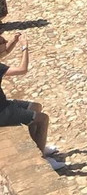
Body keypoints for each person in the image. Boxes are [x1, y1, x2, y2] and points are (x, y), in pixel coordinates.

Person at [0, 32, 59, 164]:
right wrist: (24, 47)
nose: (5, 44)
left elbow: (4, 52)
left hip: (4, 104)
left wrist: (14, 41)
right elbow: (22, 69)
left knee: (36, 107)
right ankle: (42, 159)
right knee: (43, 119)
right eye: (3, 42)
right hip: (3, 112)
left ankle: (38, 147)